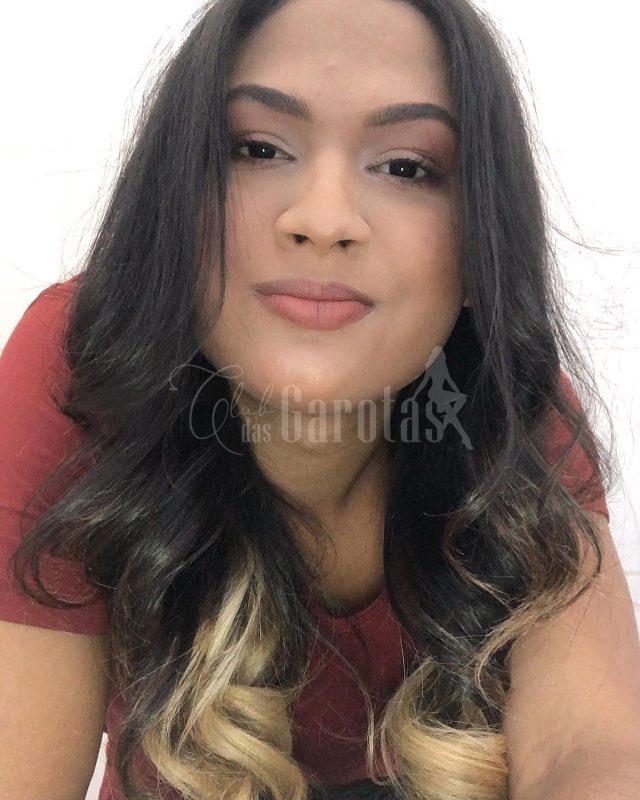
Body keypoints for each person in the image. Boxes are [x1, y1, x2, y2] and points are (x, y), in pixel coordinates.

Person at [1, 1, 638, 800]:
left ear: (482, 249)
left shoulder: (510, 400)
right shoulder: (87, 364)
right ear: (175, 204)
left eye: (406, 167)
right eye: (257, 148)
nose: (324, 220)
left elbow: (592, 746)